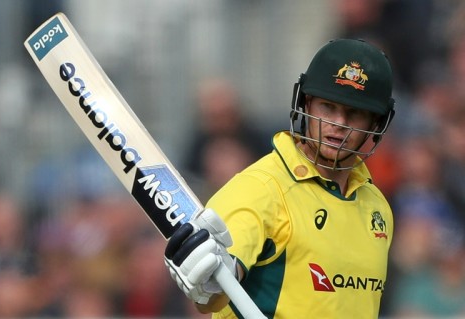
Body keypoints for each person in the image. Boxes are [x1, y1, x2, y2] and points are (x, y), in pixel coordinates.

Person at [164, 38, 396, 318]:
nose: (338, 125)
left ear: (376, 124)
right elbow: (214, 287)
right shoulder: (260, 188)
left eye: (354, 113)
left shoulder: (377, 207)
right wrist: (211, 278)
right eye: (327, 107)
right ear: (306, 104)